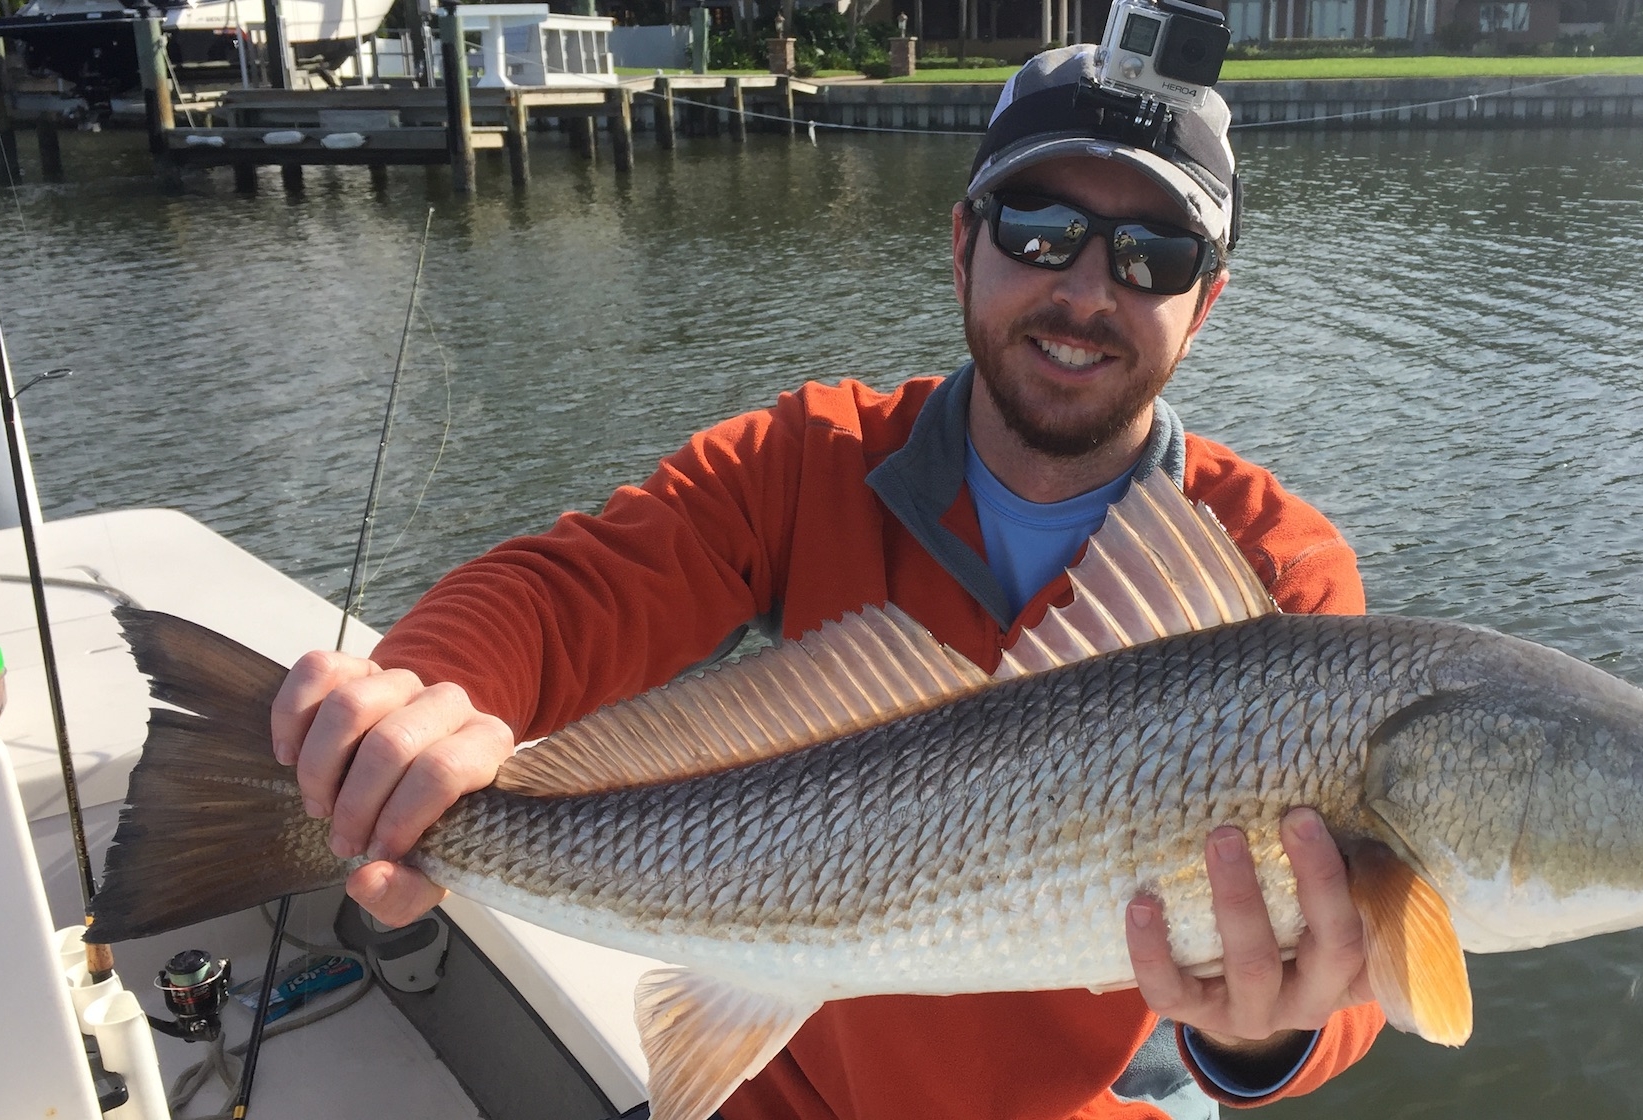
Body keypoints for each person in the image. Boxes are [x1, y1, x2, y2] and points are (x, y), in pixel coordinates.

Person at [270, 45, 1385, 1120]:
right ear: (962, 245)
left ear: (1207, 303)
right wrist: (416, 702)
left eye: (1155, 255)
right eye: (1040, 230)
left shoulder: (1275, 574)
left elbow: (1365, 980)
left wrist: (1264, 1030)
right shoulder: (810, 458)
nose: (1087, 289)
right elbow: (576, 590)